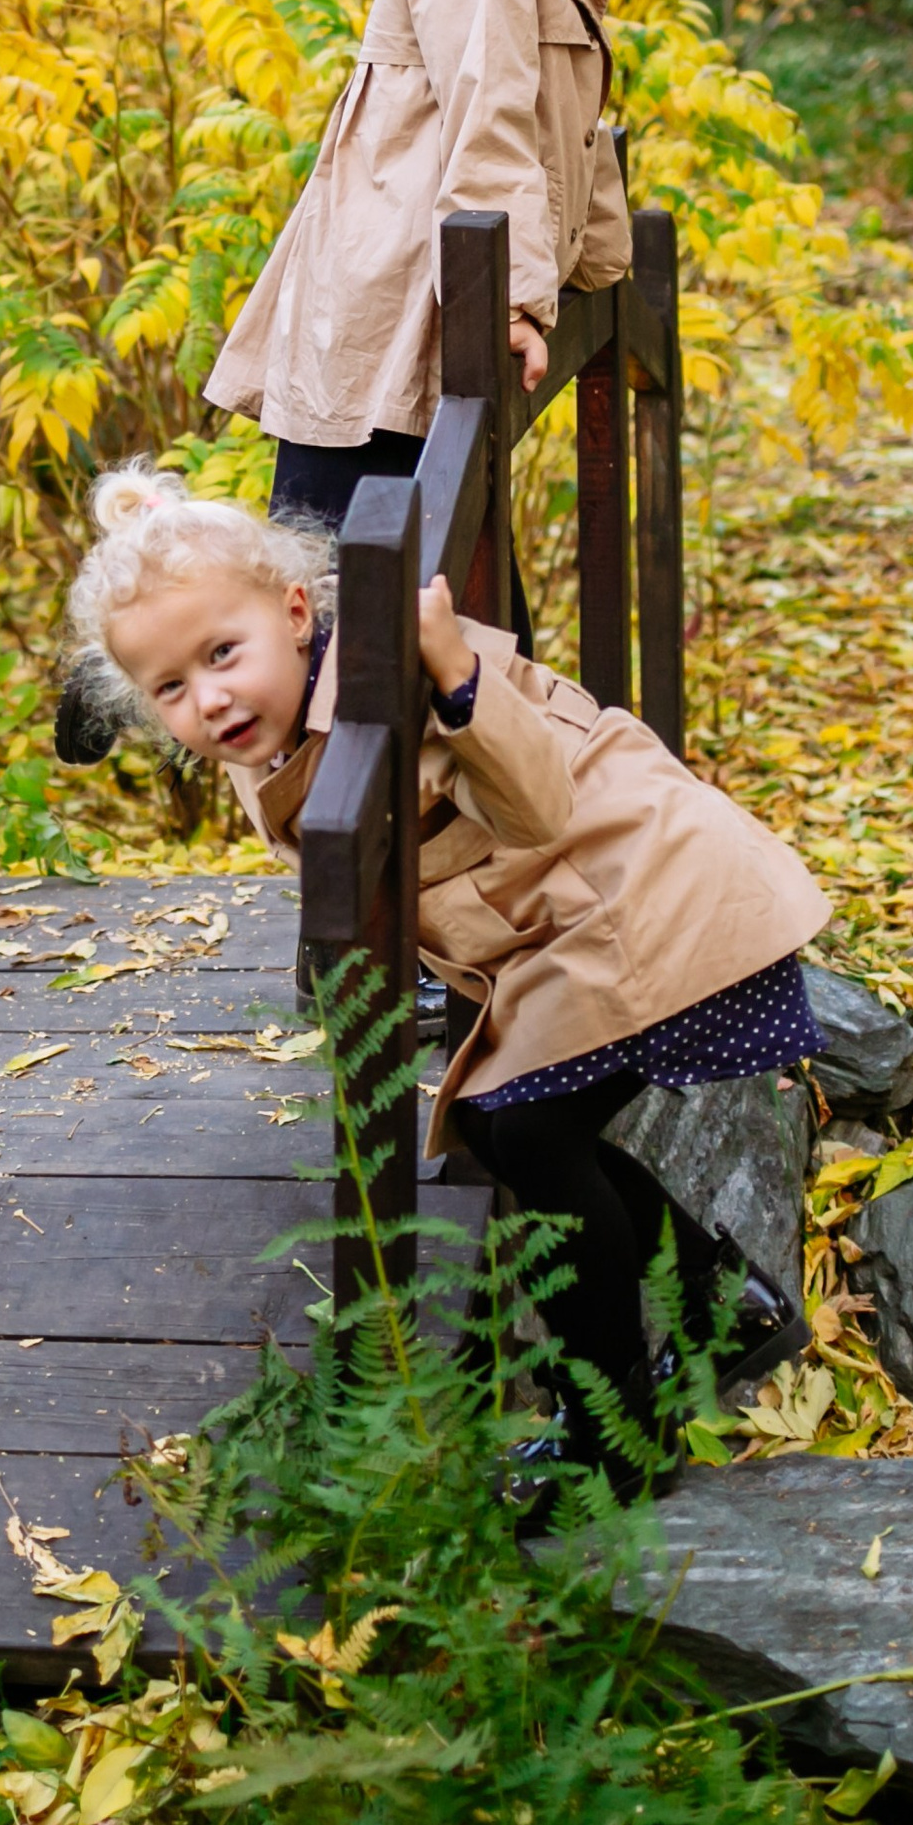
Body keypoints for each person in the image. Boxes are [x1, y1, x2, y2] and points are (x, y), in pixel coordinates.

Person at [63, 464, 832, 1501]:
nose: (207, 698)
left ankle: (618, 1436)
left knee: (527, 1133)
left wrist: (459, 674)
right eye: (169, 687)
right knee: (514, 1131)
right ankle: (710, 1302)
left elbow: (537, 809)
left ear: (297, 612)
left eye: (221, 654)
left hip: (644, 887)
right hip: (576, 915)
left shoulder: (396, 670)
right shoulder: (280, 716)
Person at [203, 0, 641, 638]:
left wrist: (600, 271)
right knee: (338, 609)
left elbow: (565, 135)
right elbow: (491, 126)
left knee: (423, 602)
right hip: (390, 316)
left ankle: (189, 650)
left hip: (421, 311)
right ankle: (154, 660)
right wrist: (519, 298)